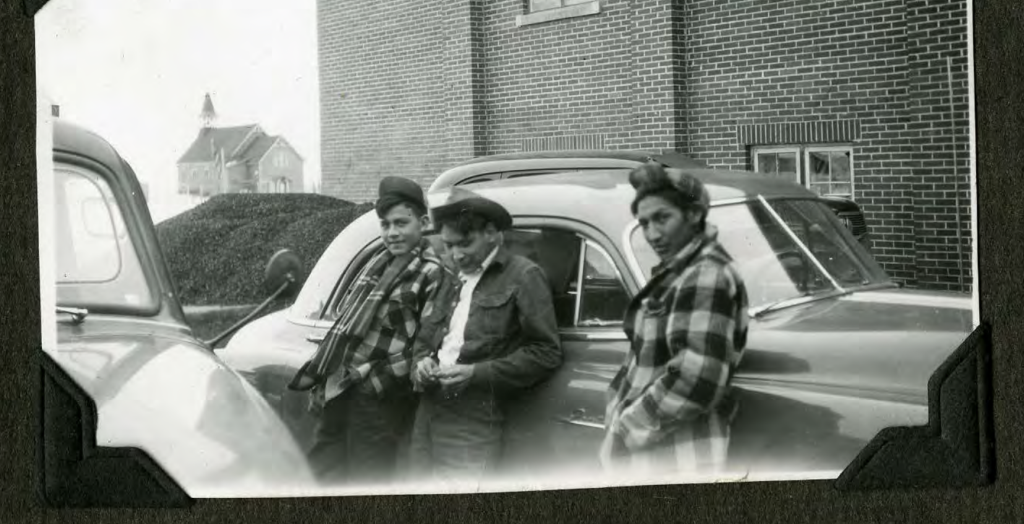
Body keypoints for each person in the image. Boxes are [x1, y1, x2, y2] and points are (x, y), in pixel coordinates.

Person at [288, 176, 458, 485]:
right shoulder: (378, 263)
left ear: (422, 221)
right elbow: (346, 327)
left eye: (401, 223)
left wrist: (371, 381)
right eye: (385, 224)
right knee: (322, 475)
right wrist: (326, 379)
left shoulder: (433, 272)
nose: (392, 232)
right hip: (339, 389)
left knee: (367, 482)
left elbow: (427, 347)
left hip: (380, 399)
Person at [600, 163, 749, 478]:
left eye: (662, 218)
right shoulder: (681, 271)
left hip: (676, 456)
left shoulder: (705, 273)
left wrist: (625, 428)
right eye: (643, 223)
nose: (652, 234)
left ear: (694, 215)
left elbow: (698, 377)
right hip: (658, 448)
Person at [408, 187, 562, 485]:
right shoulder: (447, 274)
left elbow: (546, 352)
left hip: (473, 419)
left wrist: (476, 373)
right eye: (449, 245)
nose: (456, 254)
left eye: (465, 243)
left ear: (492, 232)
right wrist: (421, 365)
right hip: (427, 413)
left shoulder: (523, 275)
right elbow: (425, 341)